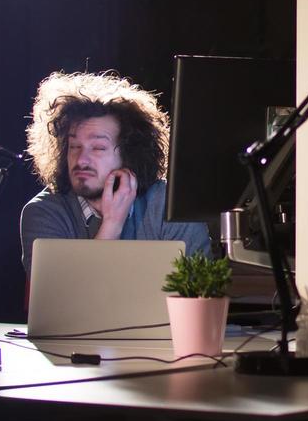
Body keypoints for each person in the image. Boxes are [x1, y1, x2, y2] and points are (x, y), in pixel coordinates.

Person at [20, 70, 210, 274]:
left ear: (130, 154)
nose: (81, 159)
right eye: (74, 146)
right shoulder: (44, 212)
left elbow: (199, 290)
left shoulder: (170, 206)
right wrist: (112, 224)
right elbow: (66, 298)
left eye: (98, 148)